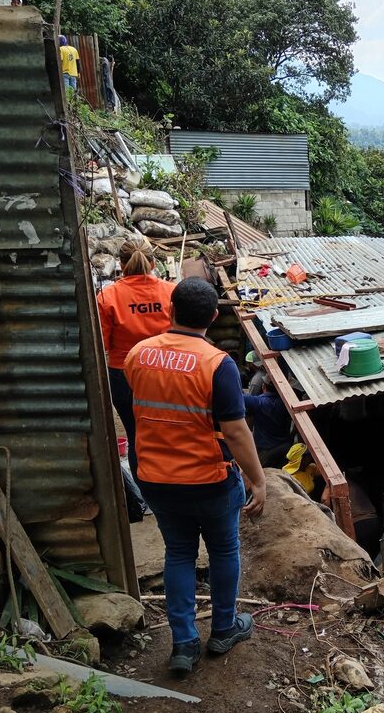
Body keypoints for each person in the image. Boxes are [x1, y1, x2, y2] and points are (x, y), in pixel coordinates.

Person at [125, 278, 266, 675]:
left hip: (155, 477)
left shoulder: (138, 354)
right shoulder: (217, 364)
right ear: (214, 317)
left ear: (170, 310)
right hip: (209, 479)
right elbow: (236, 432)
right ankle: (223, 628)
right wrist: (259, 480)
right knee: (223, 551)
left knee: (179, 553)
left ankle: (184, 645)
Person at [96, 238, 175, 483]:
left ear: (121, 264)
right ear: (152, 263)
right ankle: (171, 484)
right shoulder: (171, 292)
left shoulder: (107, 297)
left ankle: (146, 490)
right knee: (169, 432)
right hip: (167, 372)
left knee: (136, 435)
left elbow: (103, 344)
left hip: (124, 375)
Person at [244, 378, 292, 468]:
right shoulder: (286, 403)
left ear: (263, 386)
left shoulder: (258, 402)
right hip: (285, 448)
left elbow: (237, 396)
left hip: (266, 451)